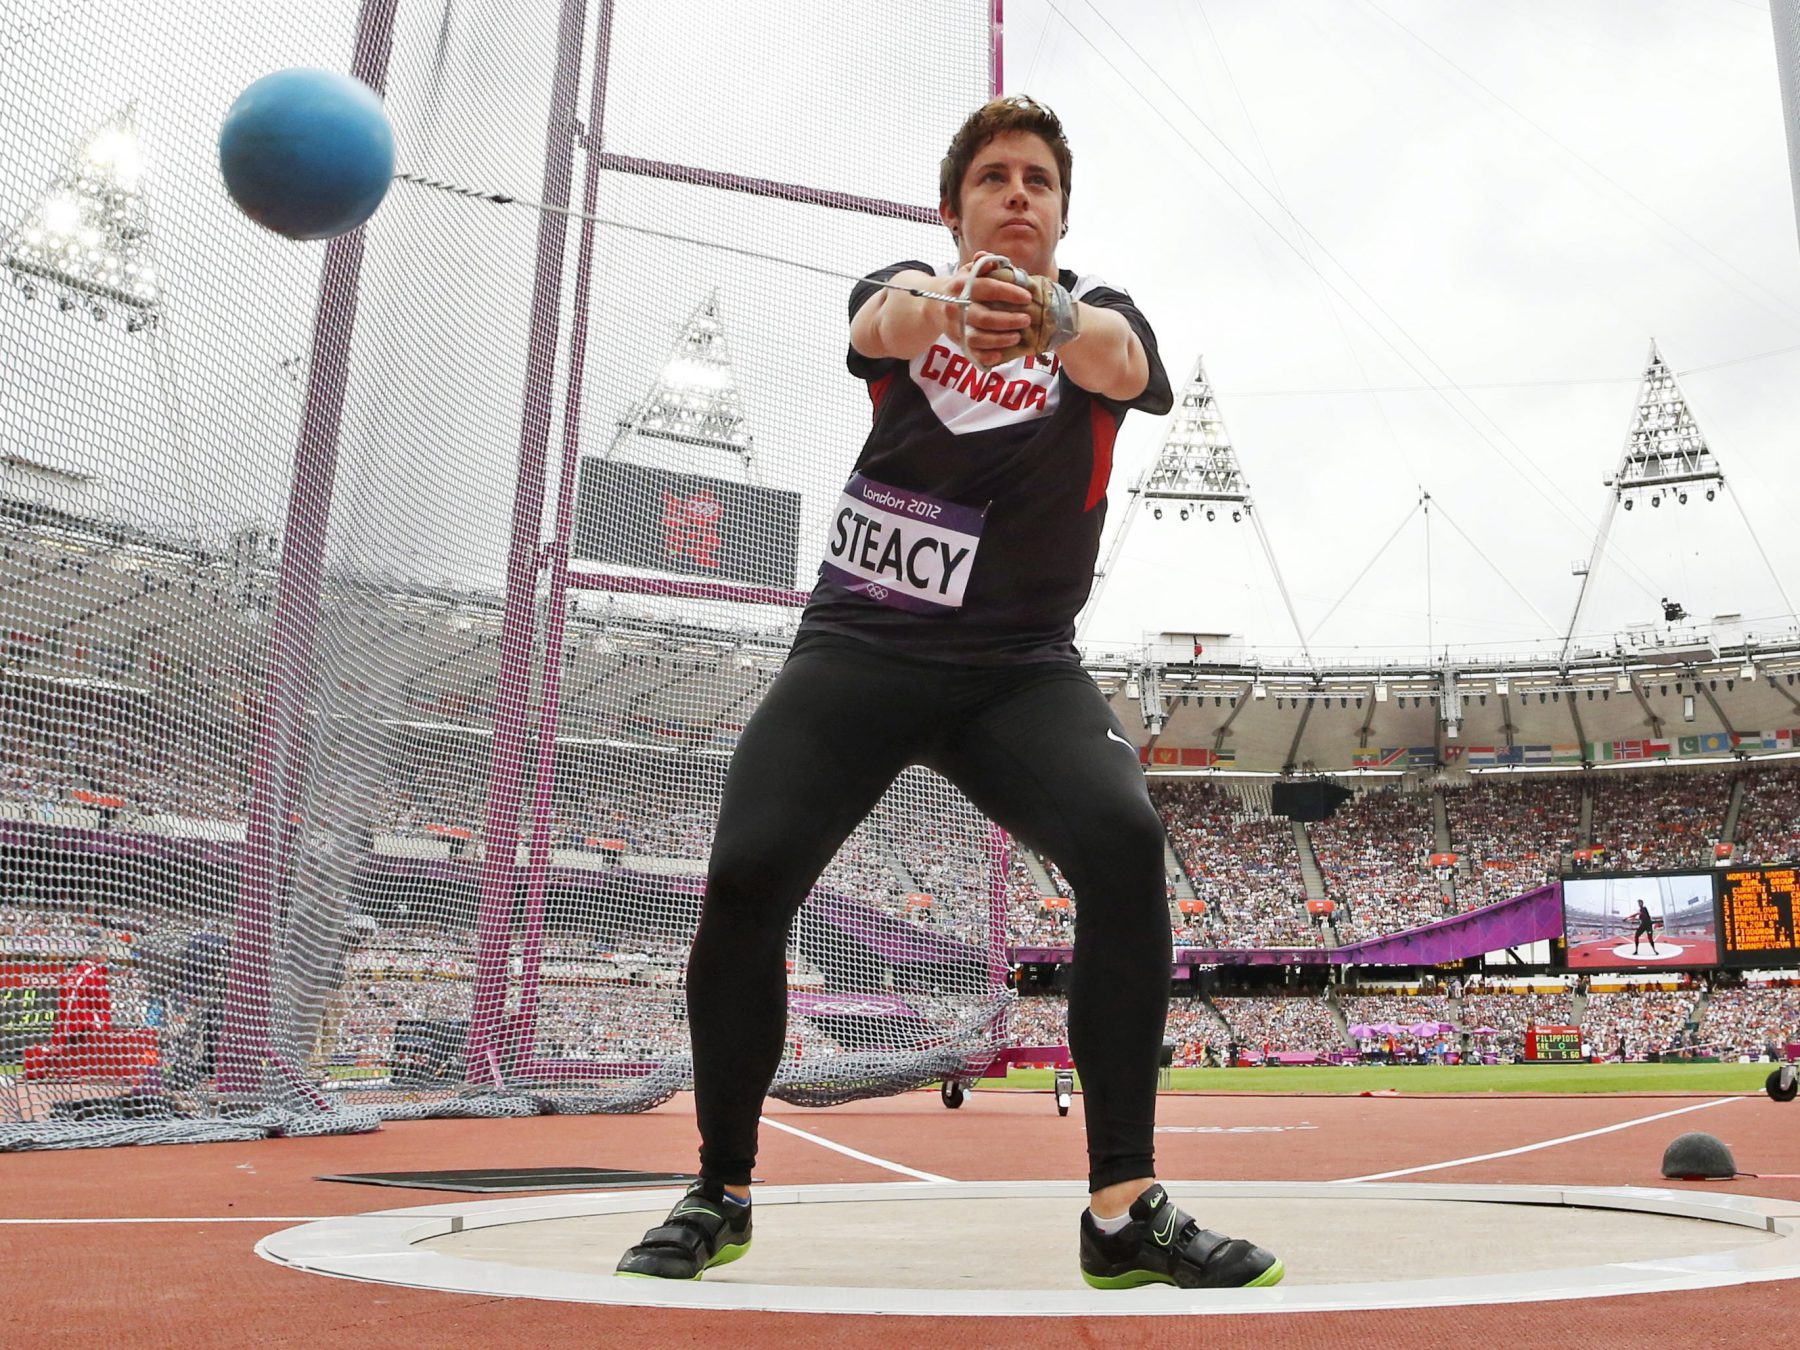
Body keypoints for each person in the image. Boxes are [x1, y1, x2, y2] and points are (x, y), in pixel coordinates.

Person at [617, 95, 1283, 1291]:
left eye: (1038, 181)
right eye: (994, 179)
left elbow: (1120, 362)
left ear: (1063, 216)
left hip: (1016, 675)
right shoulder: (910, 291)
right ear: (954, 209)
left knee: (1126, 845)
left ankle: (1123, 1209)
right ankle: (719, 1188)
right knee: (749, 871)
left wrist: (1050, 314)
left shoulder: (1105, 323)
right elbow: (879, 322)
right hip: (860, 654)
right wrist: (947, 305)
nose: (1018, 194)